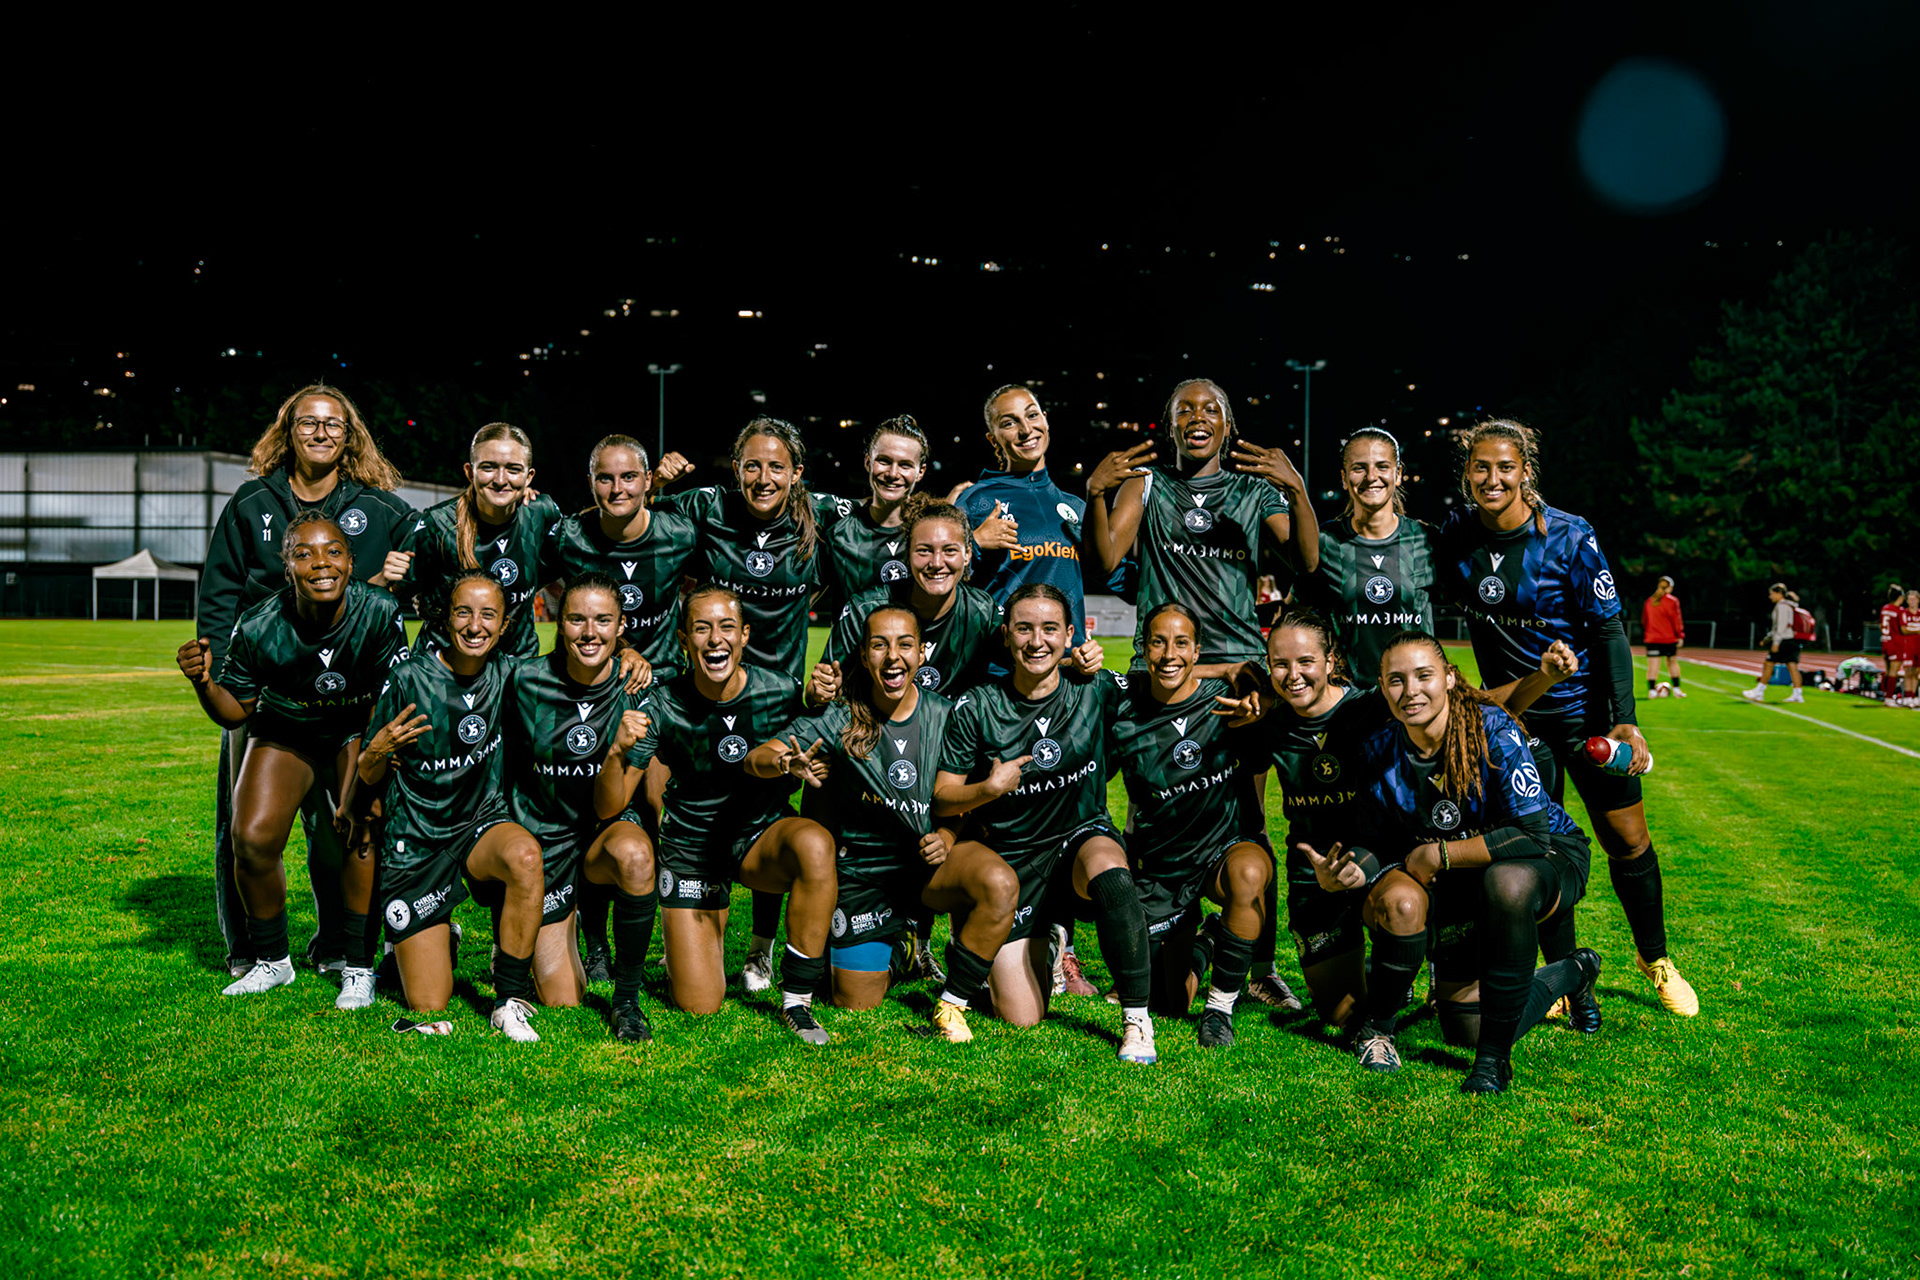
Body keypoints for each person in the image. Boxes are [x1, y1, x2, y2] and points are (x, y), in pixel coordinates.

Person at [1436, 419, 1697, 1017]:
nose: (1493, 478)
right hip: (1520, 724)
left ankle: (1655, 960)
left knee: (1627, 840)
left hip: (1587, 720)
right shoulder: (1456, 536)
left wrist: (1625, 721)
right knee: (1540, 850)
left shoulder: (1571, 537)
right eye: (1481, 468)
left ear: (1526, 470)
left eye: (1506, 467)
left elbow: (1608, 630)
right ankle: (1564, 977)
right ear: (1467, 475)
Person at [1258, 608, 1578, 1045]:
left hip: (1398, 855)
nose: (1293, 675)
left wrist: (1542, 678)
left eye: (1305, 662)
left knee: (1414, 910)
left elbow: (1479, 706)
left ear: (1330, 661)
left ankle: (1412, 976)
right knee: (1341, 1014)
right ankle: (1400, 966)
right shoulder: (1266, 722)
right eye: (1280, 663)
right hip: (1325, 873)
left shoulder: (1378, 706)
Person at [195, 384, 414, 977]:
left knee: (349, 822)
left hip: (351, 697)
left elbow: (437, 553)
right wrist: (216, 676)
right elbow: (218, 594)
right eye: (308, 423)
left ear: (351, 437)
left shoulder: (381, 507)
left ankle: (351, 945)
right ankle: (250, 949)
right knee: (246, 825)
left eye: (333, 424)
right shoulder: (251, 502)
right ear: (287, 431)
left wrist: (407, 574)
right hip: (268, 692)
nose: (320, 433)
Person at [1326, 630, 1602, 1094]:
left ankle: (1493, 1065)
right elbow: (1373, 839)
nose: (1410, 691)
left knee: (1507, 883)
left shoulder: (1491, 727)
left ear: (1450, 678)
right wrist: (1352, 867)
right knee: (1464, 1029)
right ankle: (1574, 970)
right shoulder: (1379, 749)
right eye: (1395, 680)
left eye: (1423, 676)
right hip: (1464, 874)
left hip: (1545, 853)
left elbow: (1530, 833)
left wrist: (1440, 853)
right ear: (1381, 686)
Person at [747, 606, 1020, 1041]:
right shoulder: (841, 715)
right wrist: (783, 761)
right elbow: (756, 757)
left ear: (922, 653)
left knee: (998, 883)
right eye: (879, 645)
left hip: (927, 867)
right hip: (863, 876)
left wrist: (949, 836)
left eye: (905, 644)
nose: (893, 657)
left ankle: (954, 1000)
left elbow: (960, 798)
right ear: (863, 655)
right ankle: (902, 950)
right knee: (854, 1000)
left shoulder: (947, 715)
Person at [176, 512, 411, 997]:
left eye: (333, 551)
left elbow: (392, 695)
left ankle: (356, 964)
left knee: (359, 827)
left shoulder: (381, 611)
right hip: (285, 728)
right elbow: (236, 711)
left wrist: (374, 758)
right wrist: (203, 683)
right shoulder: (259, 623)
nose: (320, 563)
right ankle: (271, 958)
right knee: (252, 835)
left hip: (353, 728)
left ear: (350, 562)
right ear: (287, 568)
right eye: (303, 553)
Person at [595, 584, 839, 1043]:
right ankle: (686, 947)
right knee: (701, 1003)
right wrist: (616, 751)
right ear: (684, 640)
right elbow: (608, 805)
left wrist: (791, 756)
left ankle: (797, 1000)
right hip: (692, 848)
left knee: (815, 844)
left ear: (745, 635)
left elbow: (804, 737)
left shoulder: (780, 688)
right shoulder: (662, 703)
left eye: (727, 627)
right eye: (701, 629)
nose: (715, 639)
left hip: (757, 838)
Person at [651, 418, 847, 989]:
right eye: (752, 466)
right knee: (699, 784)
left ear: (797, 474)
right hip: (706, 684)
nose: (764, 477)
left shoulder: (821, 517)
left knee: (766, 806)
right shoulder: (707, 507)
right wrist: (658, 483)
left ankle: (762, 950)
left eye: (776, 466)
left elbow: (885, 515)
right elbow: (642, 516)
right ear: (736, 470)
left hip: (779, 692)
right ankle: (681, 914)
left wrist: (961, 510)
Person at [933, 584, 1161, 1064]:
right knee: (1022, 1016)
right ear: (1006, 635)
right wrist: (988, 790)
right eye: (1024, 628)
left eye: (1050, 629)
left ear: (1072, 635)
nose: (1037, 641)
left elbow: (1165, 693)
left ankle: (1138, 1021)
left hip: (1079, 837)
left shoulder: (1095, 687)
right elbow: (943, 796)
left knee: (1111, 874)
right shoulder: (977, 707)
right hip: (1016, 859)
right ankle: (1029, 933)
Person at [354, 571, 550, 1041]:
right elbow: (367, 770)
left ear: (504, 625)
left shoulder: (509, 673)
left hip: (480, 826)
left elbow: (573, 673)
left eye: (489, 615)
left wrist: (626, 651)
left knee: (525, 857)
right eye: (464, 612)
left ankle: (507, 1000)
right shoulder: (408, 679)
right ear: (446, 618)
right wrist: (375, 753)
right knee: (428, 1003)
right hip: (418, 839)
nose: (475, 625)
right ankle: (433, 936)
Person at [537, 435, 697, 982]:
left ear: (649, 480)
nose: (617, 487)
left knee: (656, 808)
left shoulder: (680, 531)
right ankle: (593, 937)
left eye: (629, 477)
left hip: (666, 689)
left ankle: (674, 936)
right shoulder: (569, 536)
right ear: (590, 485)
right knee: (593, 805)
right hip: (596, 686)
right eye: (605, 478)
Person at [497, 573, 661, 1040]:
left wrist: (614, 750)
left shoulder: (636, 689)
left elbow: (611, 805)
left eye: (603, 621)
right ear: (557, 621)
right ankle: (550, 931)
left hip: (600, 831)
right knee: (562, 996)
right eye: (577, 620)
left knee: (635, 854)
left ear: (620, 625)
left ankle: (626, 1001)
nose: (590, 633)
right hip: (543, 838)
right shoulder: (525, 680)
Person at [1103, 603, 1272, 1048]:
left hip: (1224, 850)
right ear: (1143, 649)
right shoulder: (1123, 712)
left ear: (1198, 651)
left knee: (1250, 874)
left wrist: (1254, 697)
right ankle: (1209, 942)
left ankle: (1220, 1010)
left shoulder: (1229, 698)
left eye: (1181, 643)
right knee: (1168, 1001)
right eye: (1158, 642)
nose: (1169, 654)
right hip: (1163, 868)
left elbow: (1275, 690)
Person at [1083, 378, 1301, 667]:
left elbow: (1304, 563)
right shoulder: (1145, 483)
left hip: (1238, 661)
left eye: (1211, 410)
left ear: (1227, 427)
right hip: (1164, 661)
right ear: (1170, 427)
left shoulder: (1254, 490)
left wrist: (1297, 490)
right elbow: (1104, 562)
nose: (1198, 417)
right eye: (1184, 411)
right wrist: (1095, 493)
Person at [399, 422, 562, 661]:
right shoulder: (438, 524)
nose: (500, 479)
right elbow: (395, 595)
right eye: (488, 467)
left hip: (515, 668)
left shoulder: (540, 514)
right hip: (446, 672)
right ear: (469, 471)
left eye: (513, 469)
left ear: (529, 477)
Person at [1288, 427, 1438, 684]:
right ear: (1344, 478)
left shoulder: (1428, 540)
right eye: (1359, 468)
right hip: (1348, 702)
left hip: (1416, 700)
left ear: (1398, 474)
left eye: (1382, 466)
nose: (1371, 477)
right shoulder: (1325, 542)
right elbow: (1294, 614)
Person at [953, 386, 1090, 652]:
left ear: (1046, 420)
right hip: (1000, 668)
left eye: (1032, 416)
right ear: (993, 439)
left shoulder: (1076, 507)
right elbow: (942, 581)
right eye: (1009, 423)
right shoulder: (976, 500)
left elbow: (1119, 578)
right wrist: (976, 543)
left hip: (1067, 669)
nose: (1026, 430)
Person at [822, 415, 932, 605]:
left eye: (905, 465)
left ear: (920, 472)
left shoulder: (930, 535)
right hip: (850, 636)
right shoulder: (838, 532)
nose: (892, 474)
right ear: (867, 462)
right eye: (884, 461)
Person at [1744, 582, 1804, 705]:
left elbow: (1780, 627)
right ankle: (1798, 694)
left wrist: (1775, 642)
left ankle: (1759, 692)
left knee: (1768, 664)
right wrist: (1767, 638)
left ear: (1779, 594)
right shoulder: (1791, 606)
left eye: (1772, 594)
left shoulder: (1781, 606)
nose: (1770, 596)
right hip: (1792, 640)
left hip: (1783, 640)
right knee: (1792, 667)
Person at [1642, 576, 1686, 698]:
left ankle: (1651, 691)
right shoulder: (1672, 601)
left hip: (1652, 638)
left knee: (1653, 666)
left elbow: (1644, 621)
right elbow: (1676, 620)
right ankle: (1677, 689)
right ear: (1670, 587)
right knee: (1672, 662)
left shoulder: (1649, 601)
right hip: (1668, 638)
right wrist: (1680, 635)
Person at [1878, 584, 1905, 701]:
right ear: (1900, 597)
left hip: (1885, 641)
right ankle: (1889, 697)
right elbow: (1903, 628)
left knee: (1888, 670)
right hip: (1895, 643)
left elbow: (1881, 625)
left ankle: (1883, 694)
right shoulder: (1899, 611)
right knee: (1894, 671)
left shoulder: (1885, 608)